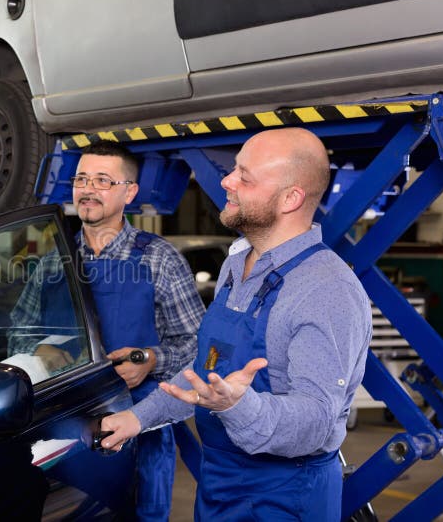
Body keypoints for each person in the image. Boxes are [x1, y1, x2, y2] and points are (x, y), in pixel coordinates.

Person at [101, 127, 373, 521]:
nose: (226, 181)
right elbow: (206, 373)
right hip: (220, 486)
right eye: (233, 171)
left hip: (283, 498)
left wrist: (239, 406)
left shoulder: (326, 290)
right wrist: (137, 418)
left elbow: (316, 421)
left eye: (245, 176)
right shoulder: (237, 264)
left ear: (290, 198)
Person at [10, 139, 205, 521]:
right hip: (65, 428)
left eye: (103, 180)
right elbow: (19, 332)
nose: (88, 189)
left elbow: (199, 344)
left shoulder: (158, 259)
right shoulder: (54, 264)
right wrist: (39, 352)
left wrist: (150, 359)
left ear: (129, 192)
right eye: (82, 179)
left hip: (140, 426)